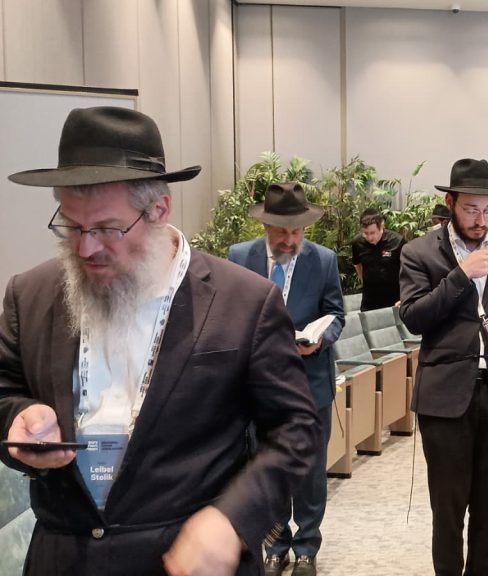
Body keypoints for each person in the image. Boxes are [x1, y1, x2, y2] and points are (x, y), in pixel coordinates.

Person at [0, 106, 318, 576]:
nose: (86, 247)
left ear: (159, 210)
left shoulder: (243, 302)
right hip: (62, 558)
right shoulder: (30, 294)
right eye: (71, 225)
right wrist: (19, 417)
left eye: (107, 228)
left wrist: (232, 520)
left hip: (188, 560)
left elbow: (296, 430)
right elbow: (5, 389)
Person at [399, 158, 488, 576]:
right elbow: (414, 317)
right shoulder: (419, 252)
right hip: (445, 397)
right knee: (448, 508)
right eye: (471, 210)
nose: (481, 220)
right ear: (451, 204)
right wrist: (460, 275)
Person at [226, 182, 345, 576]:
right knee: (267, 467)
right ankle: (275, 544)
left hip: (310, 381)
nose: (290, 240)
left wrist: (320, 339)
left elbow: (336, 314)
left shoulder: (323, 260)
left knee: (310, 471)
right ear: (266, 227)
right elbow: (230, 312)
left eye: (297, 232)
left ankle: (307, 546)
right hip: (258, 387)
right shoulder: (239, 257)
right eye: (282, 232)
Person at [351, 208, 406, 311]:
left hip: (395, 301)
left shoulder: (397, 241)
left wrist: (405, 297)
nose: (369, 237)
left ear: (382, 226)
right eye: (365, 233)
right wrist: (365, 281)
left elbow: (408, 271)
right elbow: (357, 264)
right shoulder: (357, 243)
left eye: (373, 233)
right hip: (369, 302)